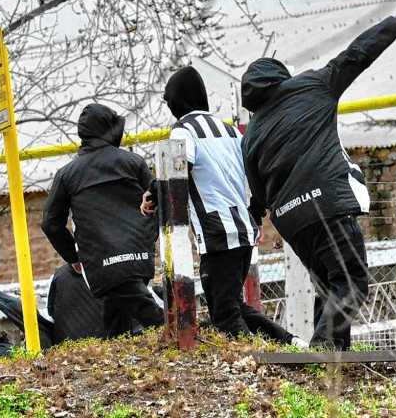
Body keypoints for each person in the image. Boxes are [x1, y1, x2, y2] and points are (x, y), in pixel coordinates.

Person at [241, 11, 396, 350]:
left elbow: (257, 191)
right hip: (326, 202)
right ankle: (323, 349)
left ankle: (332, 360)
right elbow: (358, 53)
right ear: (282, 78)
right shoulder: (312, 86)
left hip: (292, 220)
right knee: (351, 282)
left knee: (329, 286)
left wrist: (258, 217)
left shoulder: (251, 134)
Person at [140, 66, 295, 344]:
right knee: (234, 307)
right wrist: (257, 212)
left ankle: (257, 361)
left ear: (177, 100)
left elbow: (177, 168)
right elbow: (257, 173)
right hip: (245, 230)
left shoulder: (182, 131)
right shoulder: (231, 131)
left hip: (216, 232)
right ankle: (290, 342)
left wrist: (153, 192)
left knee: (224, 315)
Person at [41, 103, 164, 338]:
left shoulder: (67, 174)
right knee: (117, 310)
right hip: (139, 254)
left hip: (100, 259)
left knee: (140, 308)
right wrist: (147, 239)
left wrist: (73, 256)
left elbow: (50, 223)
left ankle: (178, 334)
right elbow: (158, 202)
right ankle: (116, 348)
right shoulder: (134, 162)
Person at [47, 263, 105, 344]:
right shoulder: (106, 269)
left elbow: (50, 312)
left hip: (68, 348)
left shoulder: (58, 276)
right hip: (104, 346)